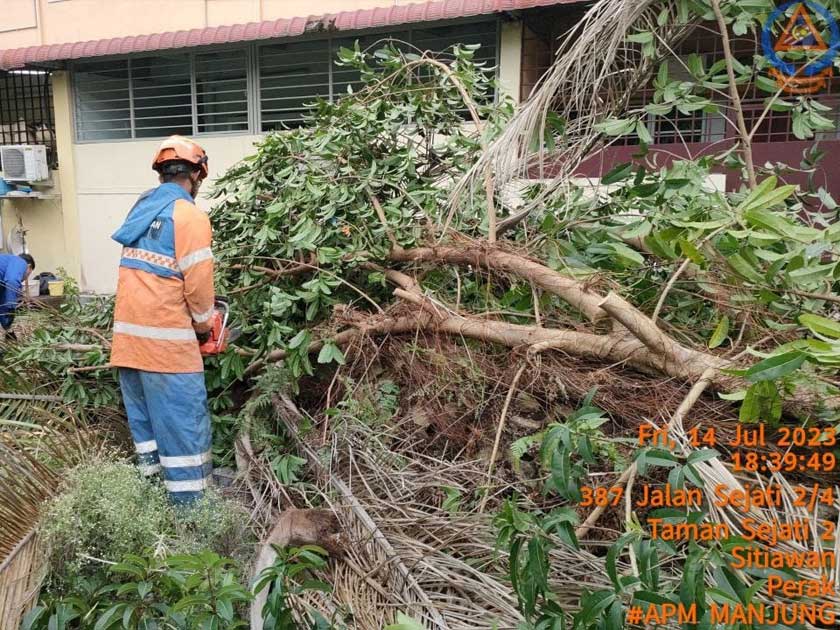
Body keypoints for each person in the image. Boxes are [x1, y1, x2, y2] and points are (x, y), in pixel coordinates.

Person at [110, 135, 215, 505]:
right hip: (168, 353)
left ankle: (153, 510)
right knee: (185, 439)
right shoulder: (189, 216)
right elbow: (199, 288)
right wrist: (205, 327)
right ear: (197, 174)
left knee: (149, 438)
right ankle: (193, 518)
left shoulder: (141, 208)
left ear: (161, 172)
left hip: (128, 349)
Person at [0, 253, 35, 340]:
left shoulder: (5, 271)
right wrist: (11, 306)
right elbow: (12, 281)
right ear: (29, 266)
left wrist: (8, 329)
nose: (25, 278)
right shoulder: (20, 262)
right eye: (28, 274)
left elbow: (2, 306)